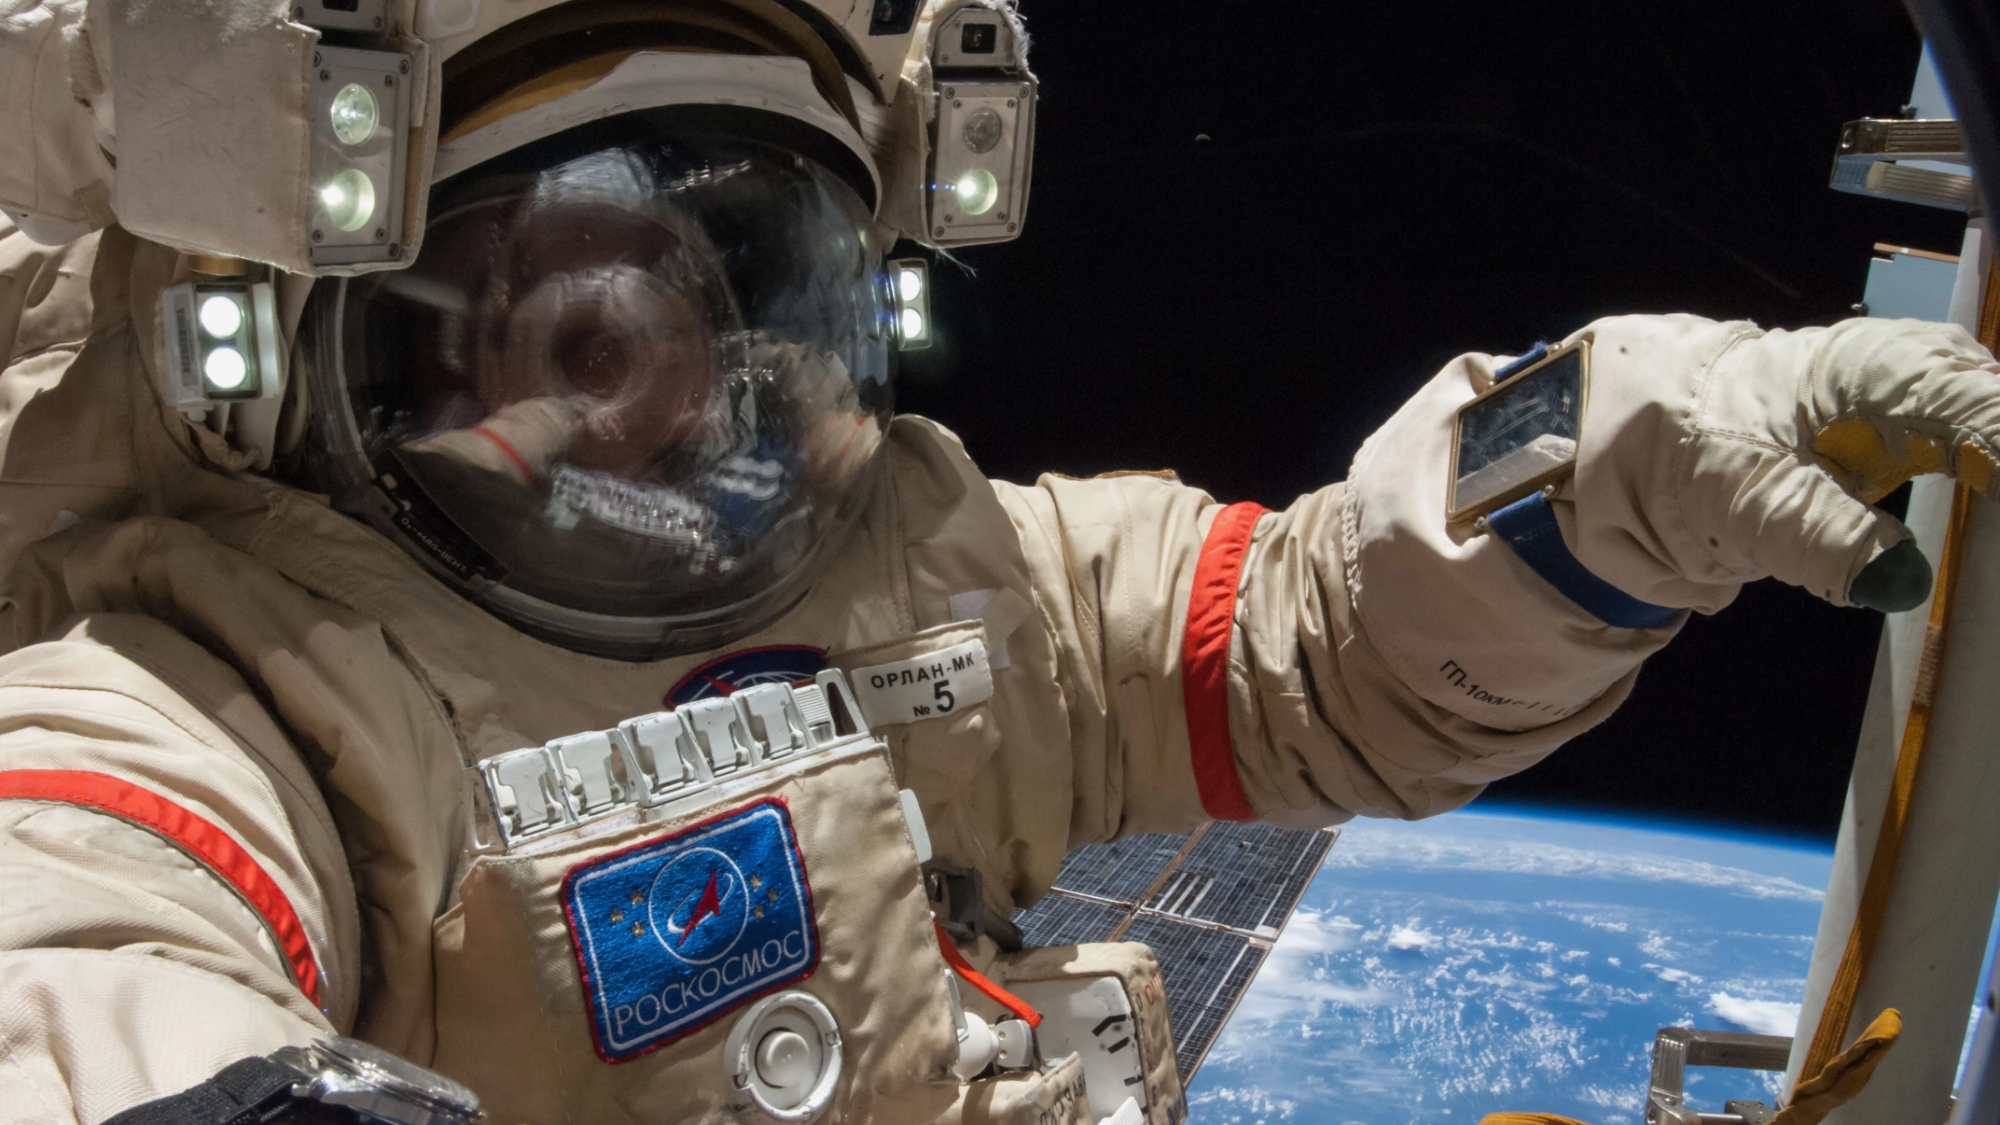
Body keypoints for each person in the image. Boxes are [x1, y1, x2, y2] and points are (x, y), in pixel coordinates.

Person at [0, 0, 1995, 1122]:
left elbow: (1312, 645)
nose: (649, 389)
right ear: (302, 369)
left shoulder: (944, 585)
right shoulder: (223, 698)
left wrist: (1610, 464)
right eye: (537, 314)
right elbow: (74, 945)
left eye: (707, 286)